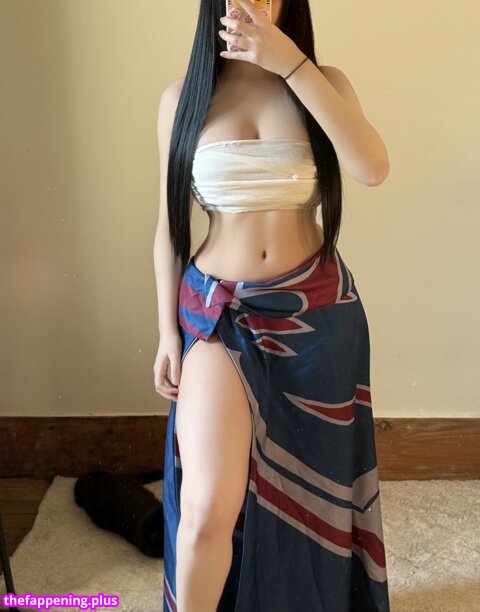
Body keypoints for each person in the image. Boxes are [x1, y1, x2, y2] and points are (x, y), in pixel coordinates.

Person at [153, 0, 391, 610]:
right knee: (206, 507)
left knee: (312, 502)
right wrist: (166, 334)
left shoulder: (324, 83)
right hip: (220, 316)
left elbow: (372, 168)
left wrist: (291, 66)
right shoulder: (184, 98)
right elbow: (168, 229)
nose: (254, 1)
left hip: (317, 318)